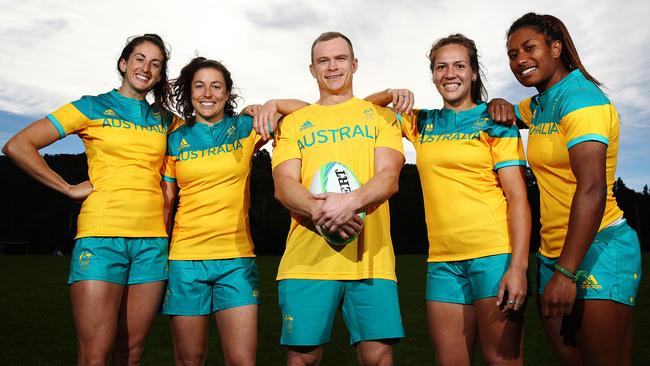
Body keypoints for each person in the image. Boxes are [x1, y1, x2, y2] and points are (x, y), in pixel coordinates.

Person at [2, 34, 173, 365]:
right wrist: (66, 187)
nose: (146, 67)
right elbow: (18, 145)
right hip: (101, 238)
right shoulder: (91, 106)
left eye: (155, 63)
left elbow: (206, 134)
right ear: (123, 64)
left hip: (152, 243)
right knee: (95, 354)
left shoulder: (166, 121)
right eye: (139, 59)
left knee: (132, 353)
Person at [366, 34, 531, 365]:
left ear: (473, 73)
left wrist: (519, 267)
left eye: (459, 66)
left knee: (502, 360)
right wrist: (389, 94)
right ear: (432, 74)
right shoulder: (422, 121)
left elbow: (517, 198)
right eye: (441, 66)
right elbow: (360, 113)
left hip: (494, 256)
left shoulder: (494, 121)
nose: (450, 74)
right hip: (442, 262)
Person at [490, 12, 642, 365]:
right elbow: (513, 113)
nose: (520, 60)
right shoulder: (542, 103)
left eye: (529, 48)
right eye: (512, 54)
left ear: (555, 47)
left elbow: (591, 189)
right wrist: (500, 104)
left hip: (597, 247)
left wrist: (566, 271)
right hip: (553, 252)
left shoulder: (580, 100)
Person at [270, 31, 405, 366]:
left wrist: (350, 202)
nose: (332, 67)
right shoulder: (293, 123)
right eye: (323, 60)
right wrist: (320, 210)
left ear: (354, 64)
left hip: (372, 259)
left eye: (340, 58)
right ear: (312, 69)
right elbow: (284, 184)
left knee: (378, 358)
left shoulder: (382, 117)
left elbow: (389, 177)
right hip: (307, 261)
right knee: (303, 359)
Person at [160, 56, 305, 365]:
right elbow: (166, 200)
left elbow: (310, 114)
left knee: (241, 361)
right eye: (199, 86)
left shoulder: (244, 127)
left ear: (227, 94)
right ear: (189, 92)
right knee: (189, 360)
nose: (208, 93)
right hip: (185, 260)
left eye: (216, 86)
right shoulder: (174, 140)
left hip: (236, 261)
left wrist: (270, 104)